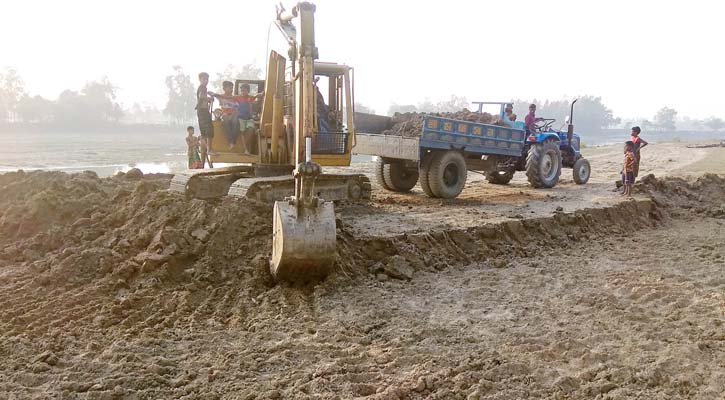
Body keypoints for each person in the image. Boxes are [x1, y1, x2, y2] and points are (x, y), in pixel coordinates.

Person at [211, 81, 243, 150]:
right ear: (224, 88)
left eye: (232, 88)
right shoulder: (221, 97)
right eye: (229, 88)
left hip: (234, 114)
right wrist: (211, 94)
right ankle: (231, 142)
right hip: (225, 114)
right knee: (225, 121)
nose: (231, 90)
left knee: (235, 121)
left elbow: (244, 98)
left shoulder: (235, 97)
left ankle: (233, 142)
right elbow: (212, 93)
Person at [195, 72, 214, 167]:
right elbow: (202, 97)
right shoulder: (202, 88)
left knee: (204, 134)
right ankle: (209, 150)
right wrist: (209, 99)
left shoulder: (203, 88)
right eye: (204, 79)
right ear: (200, 79)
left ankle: (203, 163)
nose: (206, 81)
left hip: (202, 111)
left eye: (207, 79)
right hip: (203, 111)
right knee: (209, 131)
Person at [236, 84, 257, 155]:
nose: (243, 92)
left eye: (244, 91)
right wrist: (215, 94)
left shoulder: (250, 98)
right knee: (242, 132)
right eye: (241, 91)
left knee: (251, 129)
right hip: (240, 118)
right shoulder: (238, 98)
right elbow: (226, 97)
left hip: (249, 119)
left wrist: (263, 93)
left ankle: (244, 148)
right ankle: (245, 149)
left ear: (248, 91)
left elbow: (257, 95)